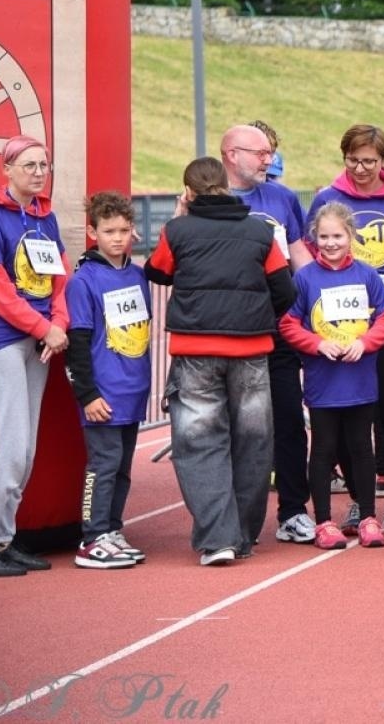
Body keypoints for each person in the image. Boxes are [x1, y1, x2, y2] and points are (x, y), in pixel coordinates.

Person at [146, 156, 296, 566]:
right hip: (251, 350)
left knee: (199, 443)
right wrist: (256, 317)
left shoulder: (178, 230)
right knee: (253, 442)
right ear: (227, 185)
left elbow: (157, 271)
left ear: (187, 192)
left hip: (195, 350)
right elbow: (285, 290)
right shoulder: (259, 230)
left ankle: (218, 540)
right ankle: (243, 535)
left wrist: (179, 217)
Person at [308, 124, 384, 532]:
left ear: (383, 161)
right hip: (339, 325)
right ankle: (360, 500)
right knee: (348, 413)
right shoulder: (328, 198)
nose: (361, 168)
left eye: (369, 161)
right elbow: (312, 247)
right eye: (353, 160)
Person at [0, 136, 68, 577]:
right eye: (29, 165)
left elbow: (59, 279)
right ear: (6, 169)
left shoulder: (46, 217)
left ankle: (3, 539)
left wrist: (57, 322)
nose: (39, 173)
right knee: (9, 448)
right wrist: (45, 328)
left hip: (37, 343)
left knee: (24, 449)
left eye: (44, 165)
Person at [218, 123, 319, 547]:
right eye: (260, 154)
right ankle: (229, 518)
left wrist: (315, 302)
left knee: (289, 420)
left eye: (269, 154)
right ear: (232, 155)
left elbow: (299, 255)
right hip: (229, 331)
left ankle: (293, 511)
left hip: (278, 328)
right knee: (232, 426)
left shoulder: (282, 198)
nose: (268, 161)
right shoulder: (209, 199)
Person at [277, 202, 384, 550]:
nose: (331, 243)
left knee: (362, 448)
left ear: (351, 236)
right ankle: (324, 522)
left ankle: (368, 517)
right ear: (314, 238)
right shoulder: (304, 279)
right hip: (323, 381)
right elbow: (288, 324)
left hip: (360, 379)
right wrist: (317, 344)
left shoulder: (367, 275)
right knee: (324, 449)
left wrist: (365, 342)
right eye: (324, 237)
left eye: (338, 236)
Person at [65, 191, 153, 570]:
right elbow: (77, 345)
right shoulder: (83, 281)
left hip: (133, 392)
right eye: (108, 231)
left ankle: (112, 529)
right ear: (93, 232)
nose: (117, 238)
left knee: (122, 468)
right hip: (103, 393)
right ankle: (92, 537)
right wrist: (87, 394)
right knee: (103, 464)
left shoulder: (137, 275)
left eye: (123, 231)